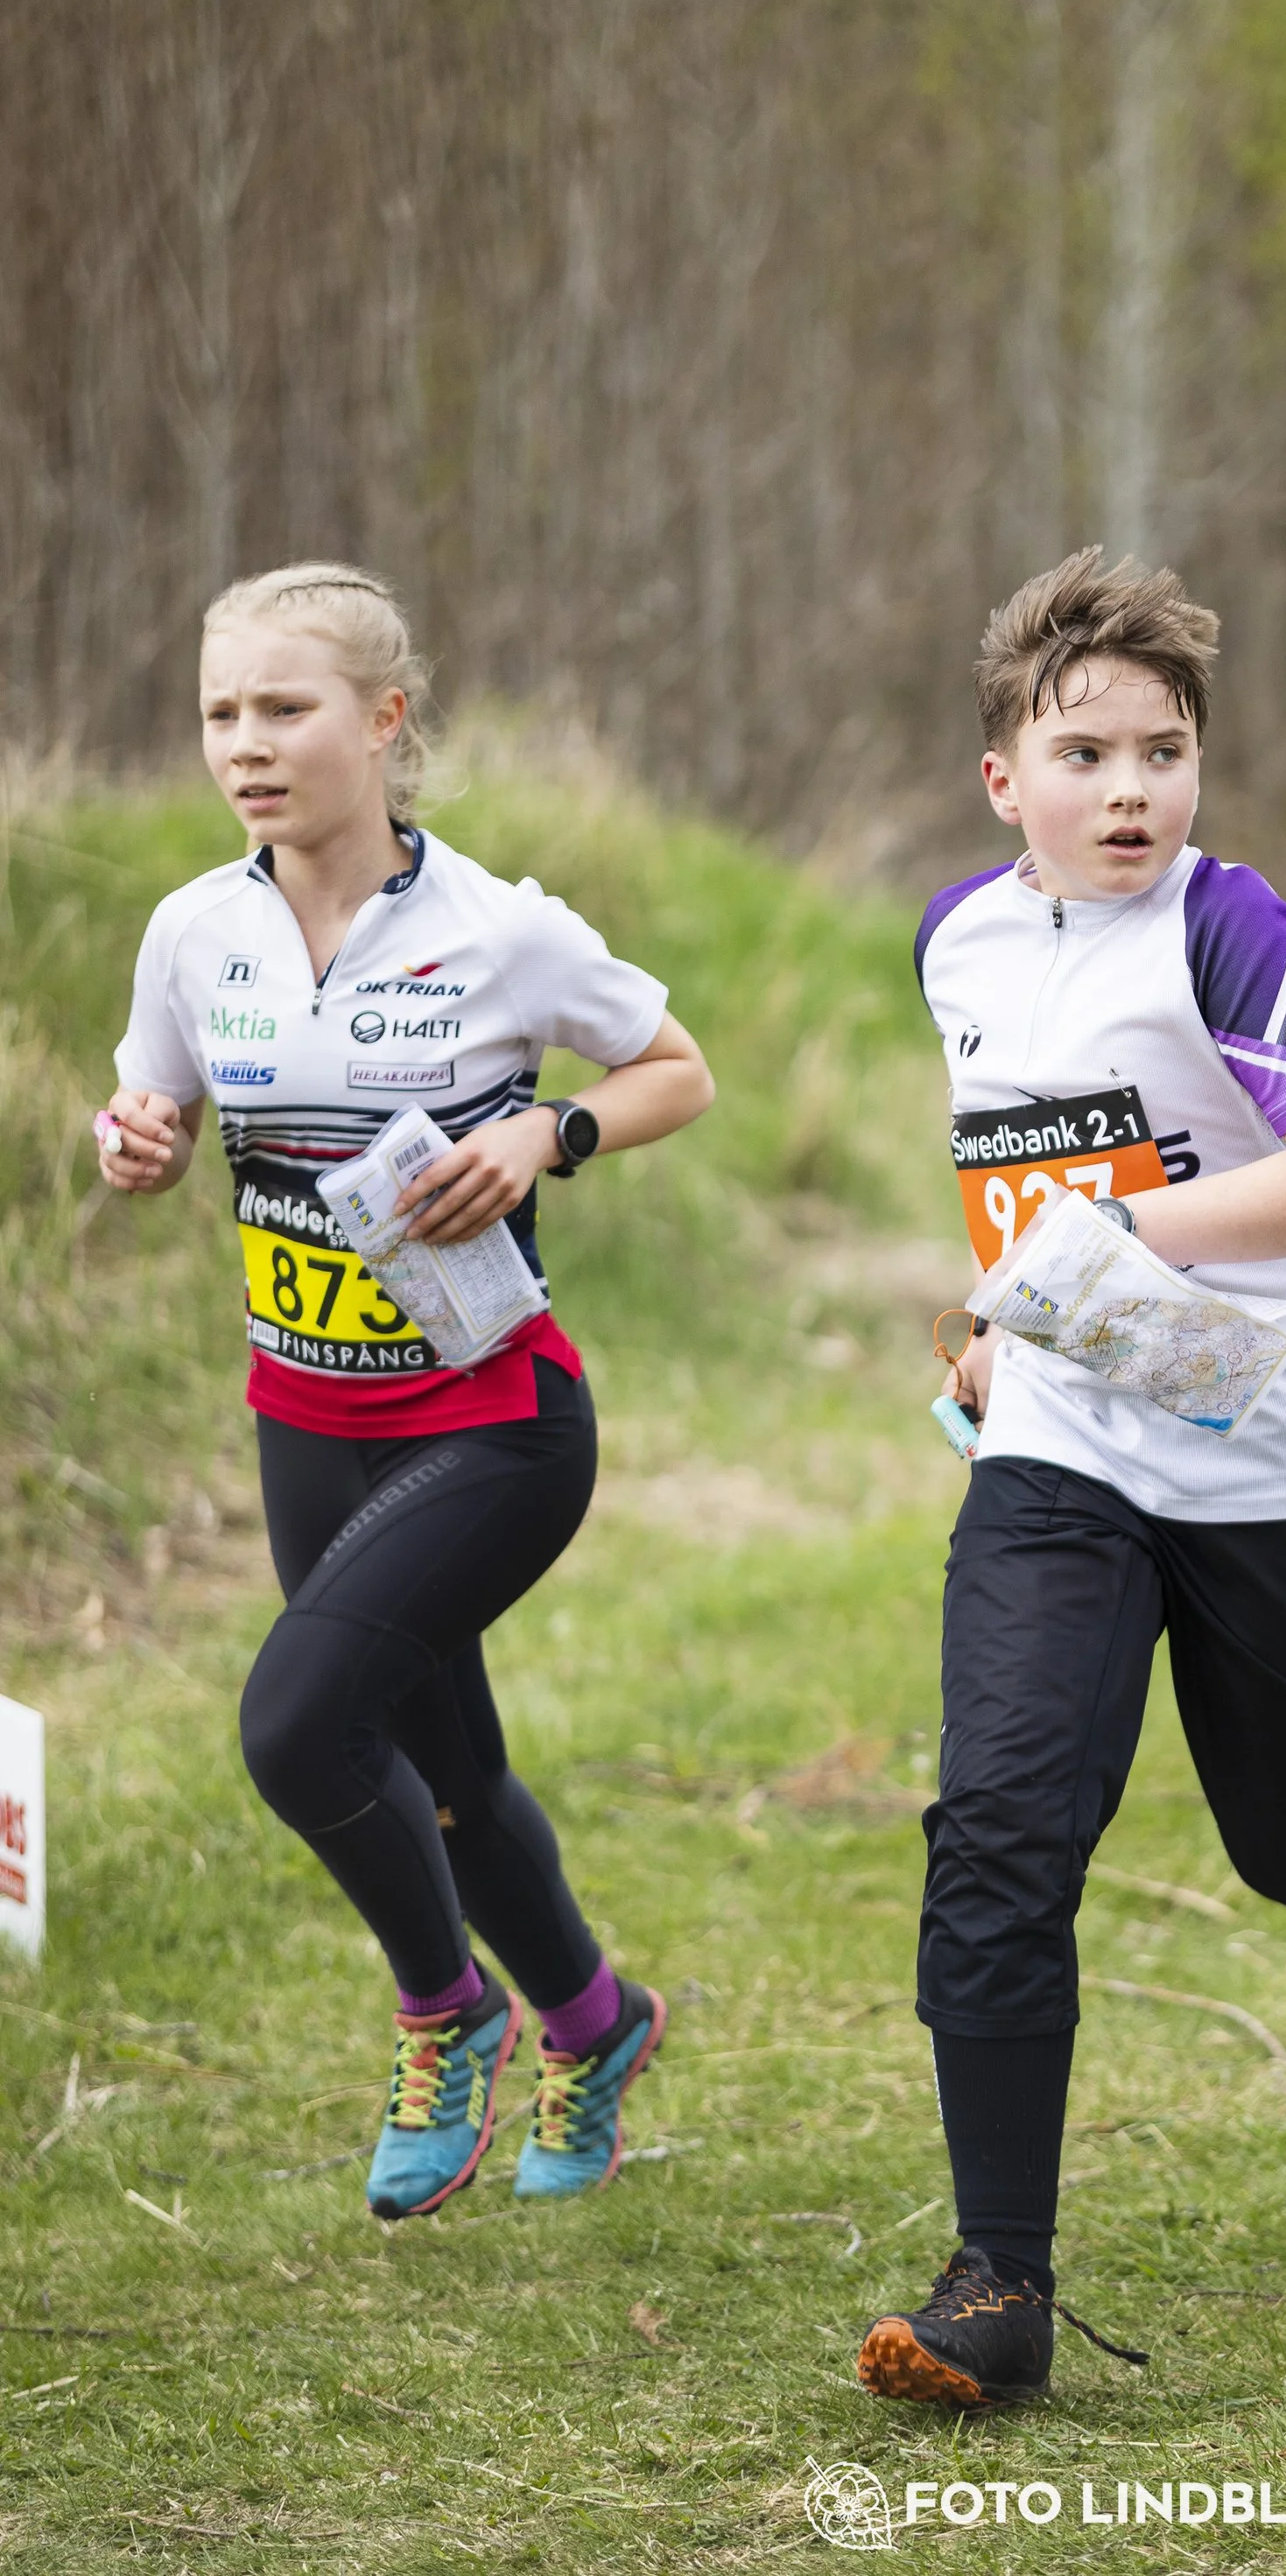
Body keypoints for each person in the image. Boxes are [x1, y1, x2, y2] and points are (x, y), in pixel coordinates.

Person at [856, 548, 1286, 2410]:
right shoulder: (955, 937)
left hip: (1284, 1461)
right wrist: (1019, 1314)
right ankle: (994, 2284)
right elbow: (1025, 1171)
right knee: (1001, 1827)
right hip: (1065, 1451)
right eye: (1081, 752)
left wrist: (1114, 1237)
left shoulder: (1228, 923)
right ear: (1000, 774)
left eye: (1161, 752)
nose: (1128, 792)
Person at [99, 564, 714, 2221]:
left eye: (285, 708)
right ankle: (600, 2025)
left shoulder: (497, 929)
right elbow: (146, 1120)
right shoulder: (194, 931)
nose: (247, 743)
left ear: (382, 722)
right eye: (223, 711)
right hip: (304, 1421)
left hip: (495, 1420)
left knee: (301, 1728)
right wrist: (134, 1147)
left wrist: (544, 1132)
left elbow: (676, 1068)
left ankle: (449, 2011)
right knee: (447, 1775)